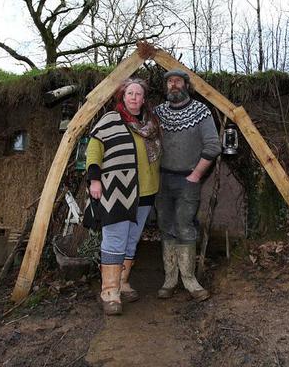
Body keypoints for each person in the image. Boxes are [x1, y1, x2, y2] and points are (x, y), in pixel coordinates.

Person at [85, 78, 161, 315]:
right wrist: (94, 179)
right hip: (118, 191)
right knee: (115, 239)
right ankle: (109, 291)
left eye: (139, 94)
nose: (134, 97)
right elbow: (94, 148)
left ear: (143, 99)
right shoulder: (111, 120)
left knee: (131, 240)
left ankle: (123, 282)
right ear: (123, 96)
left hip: (146, 191)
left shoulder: (151, 124)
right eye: (130, 93)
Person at [154, 69, 221, 302]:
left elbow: (213, 146)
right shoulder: (158, 113)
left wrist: (195, 175)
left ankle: (190, 280)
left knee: (184, 226)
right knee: (166, 227)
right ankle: (170, 279)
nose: (174, 85)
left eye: (178, 81)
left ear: (186, 85)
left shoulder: (201, 111)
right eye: (170, 81)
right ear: (166, 86)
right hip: (161, 181)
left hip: (188, 181)